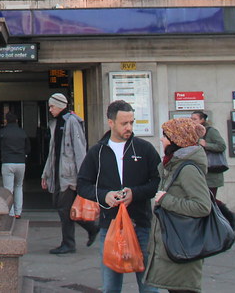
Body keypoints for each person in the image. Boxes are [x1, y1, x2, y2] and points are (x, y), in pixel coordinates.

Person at [77, 100, 161, 293]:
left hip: (141, 224)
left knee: (148, 286)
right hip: (111, 226)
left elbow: (158, 181)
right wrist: (104, 196)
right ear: (111, 122)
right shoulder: (97, 152)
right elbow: (82, 185)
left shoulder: (144, 149)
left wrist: (135, 193)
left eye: (132, 122)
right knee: (111, 286)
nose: (129, 127)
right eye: (124, 123)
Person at [145, 117, 213, 293]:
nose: (161, 139)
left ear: (176, 140)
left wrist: (165, 200)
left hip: (183, 245)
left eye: (165, 136)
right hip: (176, 244)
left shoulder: (188, 169)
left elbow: (202, 206)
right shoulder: (174, 165)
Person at [41, 93, 98, 254]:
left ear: (60, 105)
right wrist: (45, 174)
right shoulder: (56, 123)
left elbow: (80, 150)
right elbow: (53, 152)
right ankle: (91, 228)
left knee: (64, 209)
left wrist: (83, 178)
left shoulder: (72, 122)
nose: (50, 109)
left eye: (52, 106)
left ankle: (69, 243)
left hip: (69, 176)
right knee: (65, 207)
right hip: (60, 174)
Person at [0, 112, 30, 219]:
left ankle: (11, 212)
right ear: (17, 121)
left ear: (6, 121)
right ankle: (18, 212)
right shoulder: (22, 132)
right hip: (20, 162)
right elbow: (28, 147)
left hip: (7, 162)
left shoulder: (2, 132)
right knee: (19, 186)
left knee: (8, 189)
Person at [190, 110, 226, 198]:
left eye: (195, 119)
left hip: (211, 173)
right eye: (191, 119)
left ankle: (220, 211)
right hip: (199, 173)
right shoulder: (193, 132)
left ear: (202, 120)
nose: (192, 121)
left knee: (210, 201)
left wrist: (206, 144)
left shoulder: (211, 131)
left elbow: (222, 146)